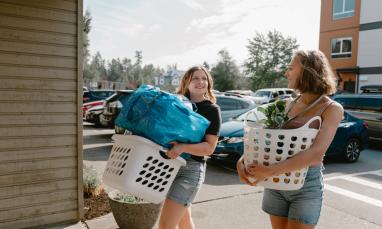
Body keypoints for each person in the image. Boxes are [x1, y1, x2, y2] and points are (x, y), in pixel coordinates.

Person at [237, 50, 343, 229]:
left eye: (291, 68)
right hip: (276, 183)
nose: (286, 73)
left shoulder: (331, 109)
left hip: (305, 186)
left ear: (308, 71)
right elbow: (267, 141)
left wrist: (270, 171)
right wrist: (244, 160)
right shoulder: (288, 104)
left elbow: (316, 154)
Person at [159, 66, 222, 229]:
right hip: (168, 167)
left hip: (190, 170)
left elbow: (209, 148)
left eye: (204, 78)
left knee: (166, 225)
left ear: (208, 83)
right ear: (186, 82)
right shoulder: (176, 105)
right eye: (195, 78)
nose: (200, 81)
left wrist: (182, 147)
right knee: (184, 221)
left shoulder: (212, 110)